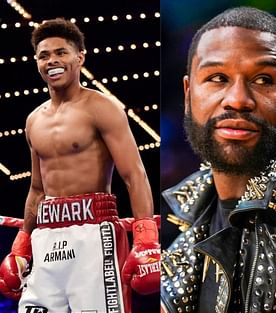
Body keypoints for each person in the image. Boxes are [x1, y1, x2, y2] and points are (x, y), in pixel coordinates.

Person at [160, 6, 276, 313]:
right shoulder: (180, 221)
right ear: (188, 95)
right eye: (217, 78)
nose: (238, 99)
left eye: (265, 79)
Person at [0, 18, 160, 313]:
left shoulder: (102, 107)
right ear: (37, 62)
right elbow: (37, 189)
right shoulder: (33, 120)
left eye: (61, 52)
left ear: (80, 57)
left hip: (94, 233)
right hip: (46, 237)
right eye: (44, 55)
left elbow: (134, 173)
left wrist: (146, 237)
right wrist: (22, 243)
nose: (53, 61)